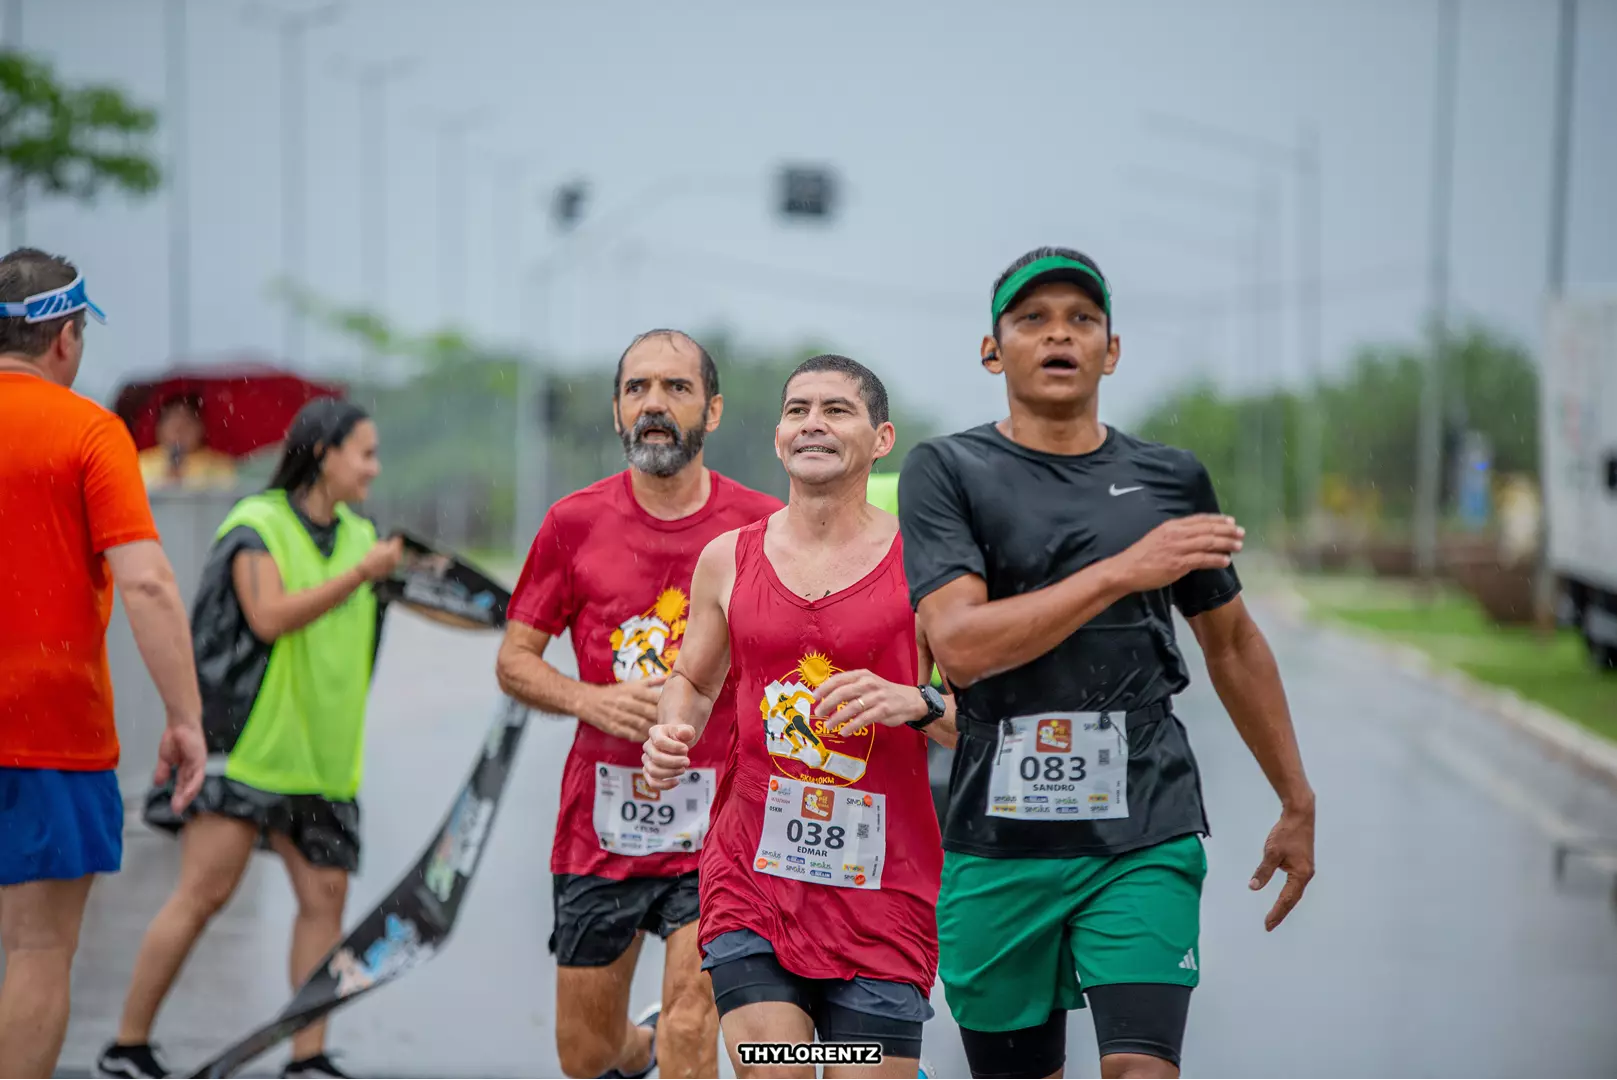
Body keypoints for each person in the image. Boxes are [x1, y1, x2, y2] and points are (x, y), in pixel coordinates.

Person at [897, 246, 1315, 1080]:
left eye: (1081, 319)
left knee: (1142, 1068)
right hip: (997, 841)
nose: (1059, 335)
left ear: (1110, 350)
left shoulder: (1168, 479)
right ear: (992, 351)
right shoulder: (947, 471)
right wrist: (1123, 571)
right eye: (1032, 319)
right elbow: (962, 647)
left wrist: (1295, 798)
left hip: (1143, 825)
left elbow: (1231, 642)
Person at [642, 355, 957, 1080]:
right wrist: (671, 728)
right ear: (779, 438)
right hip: (752, 875)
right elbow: (692, 679)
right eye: (797, 410)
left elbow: (985, 722)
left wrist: (917, 701)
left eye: (836, 410)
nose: (813, 423)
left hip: (885, 887)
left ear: (881, 439)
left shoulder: (928, 565)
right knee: (774, 1068)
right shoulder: (727, 558)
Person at [495, 329, 783, 1080]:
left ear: (712, 411)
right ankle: (641, 1049)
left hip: (723, 826)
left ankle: (674, 1042)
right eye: (637, 389)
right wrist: (589, 699)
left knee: (693, 1025)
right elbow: (514, 661)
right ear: (618, 410)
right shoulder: (573, 523)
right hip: (603, 826)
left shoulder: (760, 527)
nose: (654, 403)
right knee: (586, 1054)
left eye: (676, 388)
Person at [98, 397, 404, 1080]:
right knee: (204, 893)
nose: (374, 469)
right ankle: (128, 1044)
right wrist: (360, 575)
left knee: (324, 900)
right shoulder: (257, 525)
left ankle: (308, 1054)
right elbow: (267, 617)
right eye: (365, 454)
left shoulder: (363, 536)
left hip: (323, 758)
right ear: (323, 454)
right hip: (250, 747)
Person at [0, 248, 208, 1080]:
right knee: (37, 947)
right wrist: (185, 718)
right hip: (50, 732)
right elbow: (148, 583)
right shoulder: (88, 431)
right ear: (65, 338)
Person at [137, 394, 239, 491]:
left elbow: (225, 493)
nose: (179, 431)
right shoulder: (141, 463)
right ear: (158, 428)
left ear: (200, 427)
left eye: (186, 424)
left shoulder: (218, 465)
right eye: (172, 424)